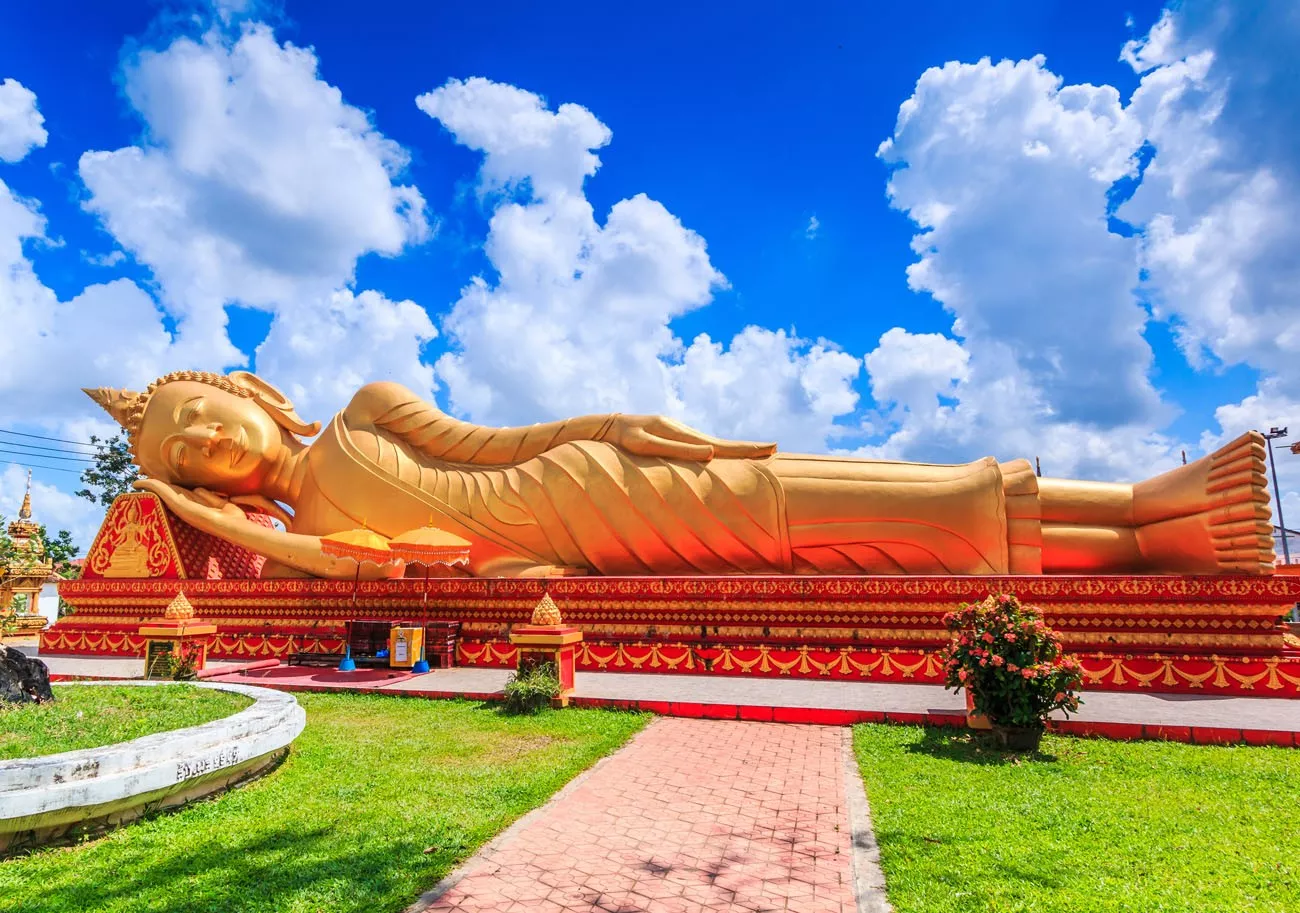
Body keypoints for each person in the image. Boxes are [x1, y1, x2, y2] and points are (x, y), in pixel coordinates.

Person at [85, 370, 1274, 579]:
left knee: (809, 494)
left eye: (200, 417)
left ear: (247, 388)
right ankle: (1131, 546)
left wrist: (618, 420)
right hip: (581, 553)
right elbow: (391, 559)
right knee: (822, 545)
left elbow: (497, 447)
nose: (205, 444)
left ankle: (1130, 505)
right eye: (185, 458)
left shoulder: (362, 414)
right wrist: (197, 515)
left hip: (590, 483)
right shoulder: (319, 537)